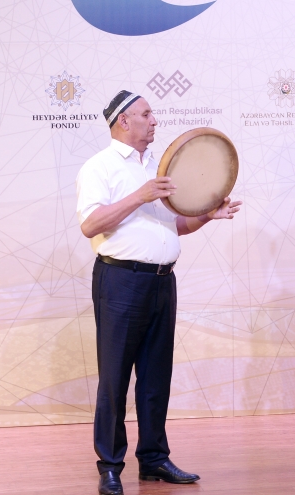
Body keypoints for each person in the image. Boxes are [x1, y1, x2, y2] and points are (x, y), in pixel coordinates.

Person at [77, 90, 241, 495]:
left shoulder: (157, 166)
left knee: (155, 377)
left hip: (162, 281)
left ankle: (153, 458)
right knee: (115, 377)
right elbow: (90, 225)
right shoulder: (100, 166)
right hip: (121, 281)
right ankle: (110, 465)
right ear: (123, 121)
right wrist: (140, 195)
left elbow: (174, 226)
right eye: (146, 114)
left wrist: (208, 216)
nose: (154, 121)